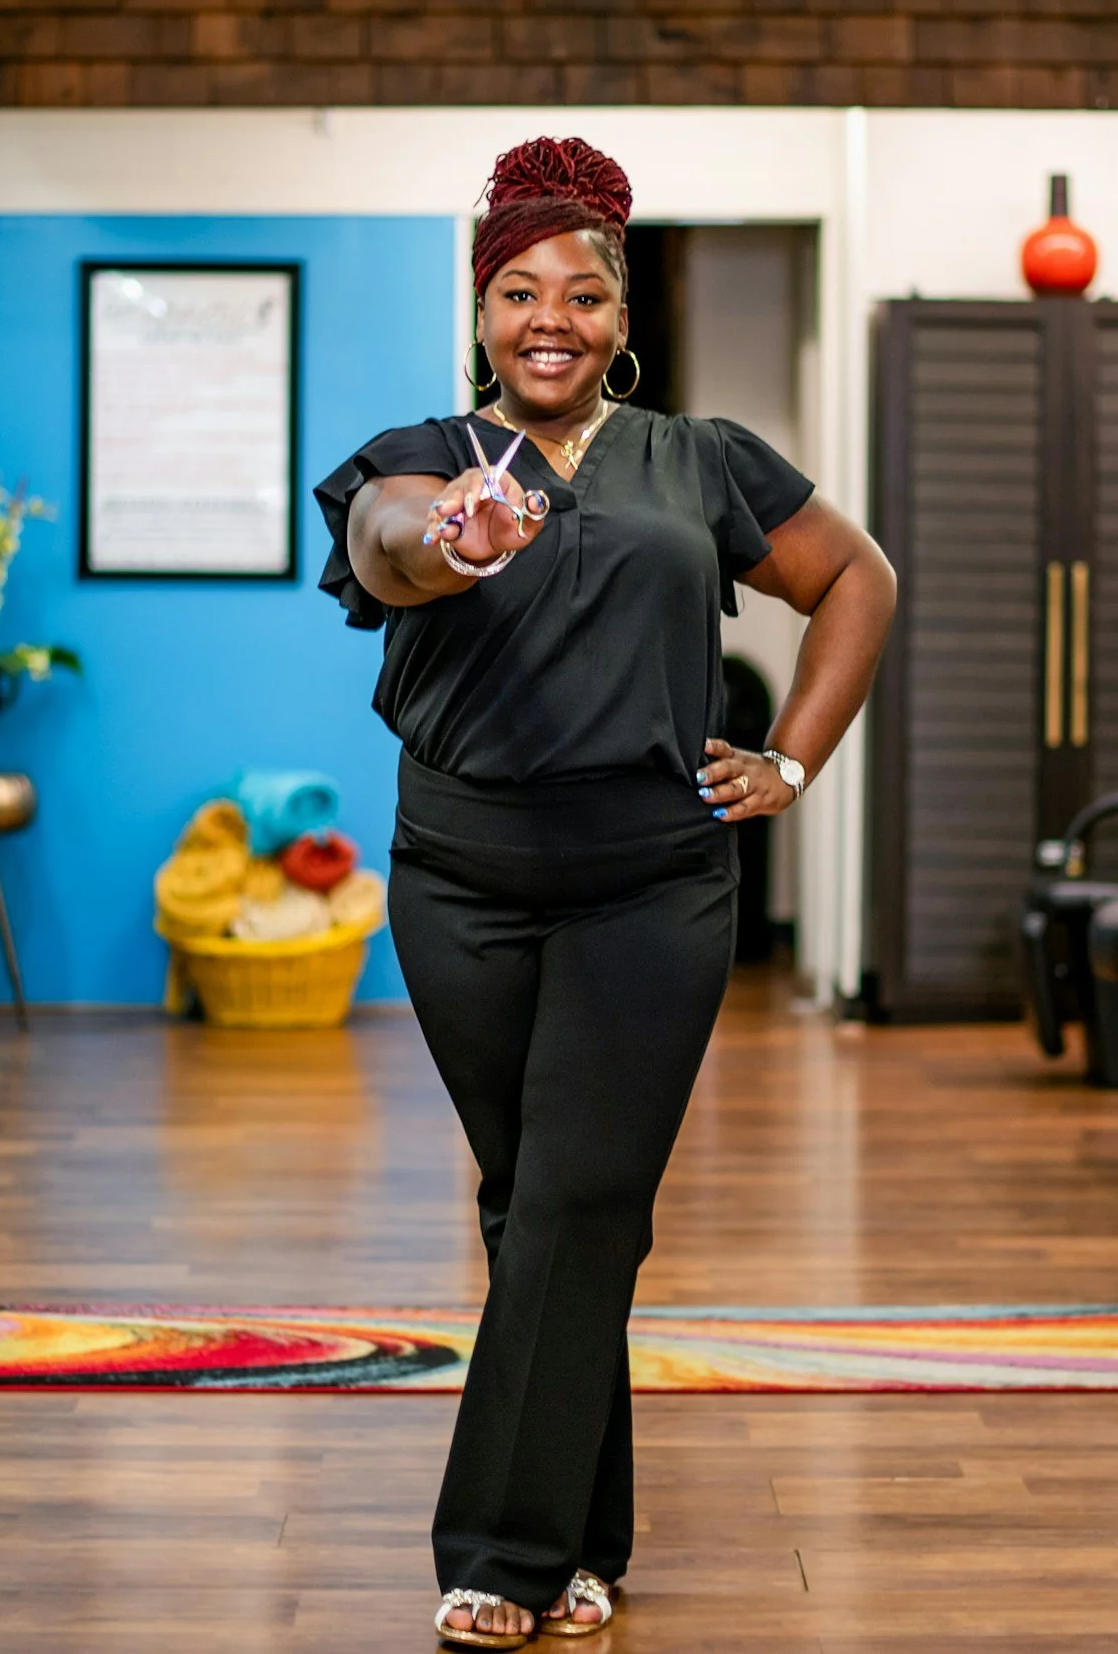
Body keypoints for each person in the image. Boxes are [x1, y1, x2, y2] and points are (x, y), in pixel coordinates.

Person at [312, 137, 896, 1650]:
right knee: (546, 1210)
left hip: (649, 886)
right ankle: (589, 1539)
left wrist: (794, 761)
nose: (549, 317)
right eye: (518, 291)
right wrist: (453, 539)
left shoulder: (700, 459)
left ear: (617, 311)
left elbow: (859, 580)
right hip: (462, 888)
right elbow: (386, 552)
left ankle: (500, 1553)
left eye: (580, 290)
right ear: (483, 308)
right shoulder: (416, 458)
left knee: (574, 1194)